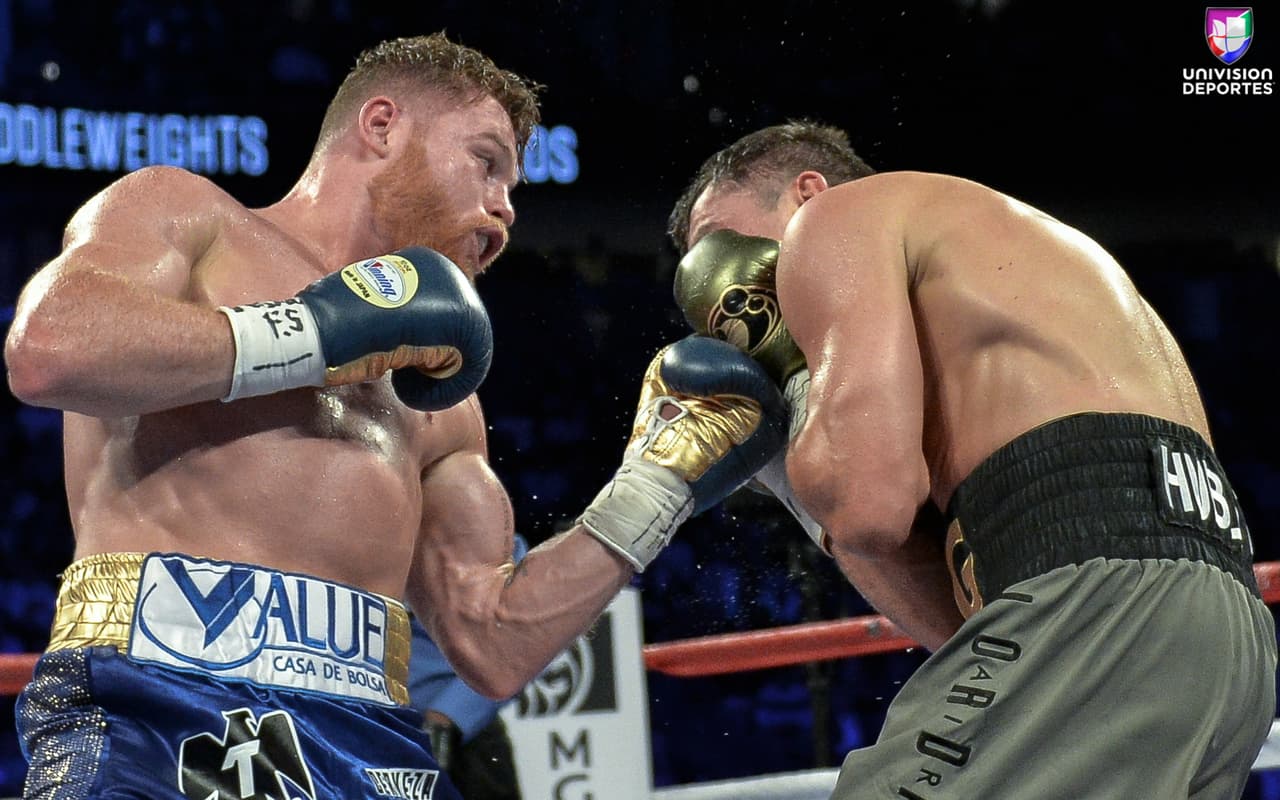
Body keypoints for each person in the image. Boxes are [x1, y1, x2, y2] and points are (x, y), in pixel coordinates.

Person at [2, 32, 787, 799]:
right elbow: (50, 349)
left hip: (370, 743)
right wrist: (311, 335)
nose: (504, 209)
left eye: (513, 188)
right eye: (486, 163)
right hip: (162, 706)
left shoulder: (442, 404)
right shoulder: (187, 214)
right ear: (382, 126)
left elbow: (492, 642)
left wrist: (657, 486)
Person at [667, 119, 1277, 799]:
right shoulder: (996, 285)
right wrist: (790, 467)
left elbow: (868, 508)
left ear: (805, 193)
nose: (714, 300)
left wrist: (788, 398)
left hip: (1101, 608)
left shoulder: (839, 217)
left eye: (718, 249)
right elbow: (963, 631)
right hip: (1225, 636)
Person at [409, 533, 530, 799]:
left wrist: (449, 715)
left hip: (465, 739)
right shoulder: (352, 533)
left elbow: (521, 644)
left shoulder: (488, 540)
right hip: (367, 726)